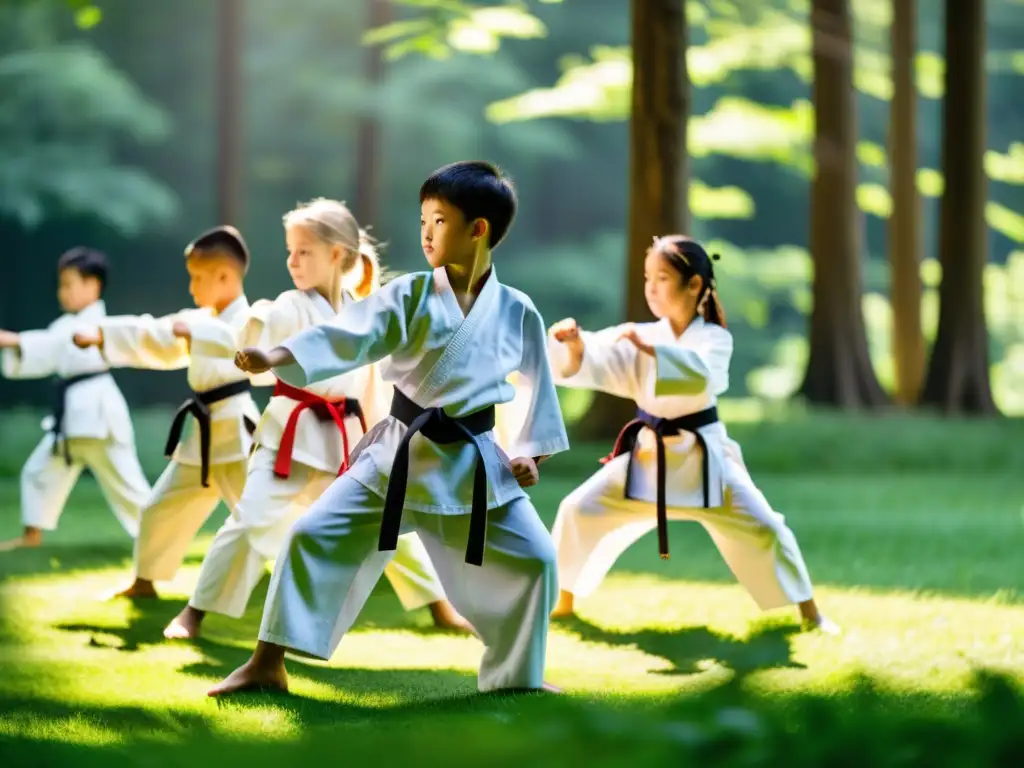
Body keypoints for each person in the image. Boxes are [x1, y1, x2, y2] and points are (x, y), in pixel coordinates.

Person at [209, 160, 569, 697]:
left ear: (479, 229)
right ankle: (266, 663)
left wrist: (530, 456)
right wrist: (276, 353)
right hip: (399, 453)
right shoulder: (412, 296)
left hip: (475, 463)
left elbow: (540, 389)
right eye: (422, 218)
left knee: (537, 559)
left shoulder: (517, 310)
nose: (425, 232)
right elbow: (346, 334)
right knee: (310, 535)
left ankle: (516, 679)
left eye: (439, 220)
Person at [164, 199, 467, 640]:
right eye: (290, 250)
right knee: (249, 521)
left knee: (385, 522)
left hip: (345, 437)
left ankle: (440, 607)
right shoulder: (289, 305)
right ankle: (194, 611)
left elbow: (370, 386)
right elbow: (260, 325)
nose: (292, 260)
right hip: (290, 436)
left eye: (303, 251)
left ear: (337, 255)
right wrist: (254, 335)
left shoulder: (363, 311)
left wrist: (384, 439)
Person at [547, 235, 839, 635]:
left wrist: (652, 354)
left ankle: (811, 613)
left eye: (662, 277)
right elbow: (598, 358)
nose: (650, 287)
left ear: (695, 285)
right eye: (647, 277)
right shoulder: (641, 333)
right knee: (577, 509)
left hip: (704, 461)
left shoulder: (715, 339)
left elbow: (703, 376)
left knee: (766, 528)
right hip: (648, 460)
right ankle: (563, 603)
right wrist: (577, 345)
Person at [74, 226, 260, 600]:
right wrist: (103, 335)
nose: (192, 287)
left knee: (264, 517)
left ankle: (313, 576)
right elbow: (155, 335)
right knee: (159, 509)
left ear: (224, 276)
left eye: (197, 278)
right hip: (201, 434)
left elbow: (243, 346)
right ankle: (144, 581)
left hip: (236, 433)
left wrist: (195, 330)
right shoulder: (201, 319)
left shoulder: (252, 320)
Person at [0, 247, 151, 551]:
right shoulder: (67, 323)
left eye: (70, 284)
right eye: (62, 285)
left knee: (129, 488)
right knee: (37, 471)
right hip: (74, 418)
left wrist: (13, 340)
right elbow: (48, 351)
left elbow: (54, 344)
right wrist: (15, 343)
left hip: (98, 414)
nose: (63, 292)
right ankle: (32, 537)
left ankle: (161, 539)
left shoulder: (97, 323)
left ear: (93, 285)